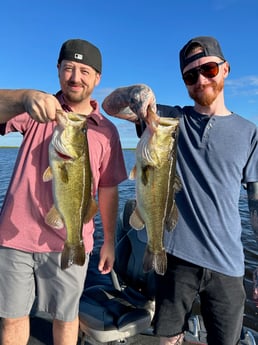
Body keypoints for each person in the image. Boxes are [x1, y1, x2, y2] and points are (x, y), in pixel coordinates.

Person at [102, 36, 258, 345]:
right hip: (176, 259)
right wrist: (139, 92)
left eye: (209, 69)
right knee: (168, 337)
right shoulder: (169, 120)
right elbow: (110, 106)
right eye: (190, 75)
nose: (200, 80)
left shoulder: (249, 132)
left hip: (228, 265)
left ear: (225, 69)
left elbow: (255, 202)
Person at [0, 38, 127, 345]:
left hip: (71, 240)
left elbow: (108, 190)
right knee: (13, 318)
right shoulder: (36, 108)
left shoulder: (106, 131)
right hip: (15, 237)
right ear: (58, 70)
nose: (75, 77)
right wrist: (25, 97)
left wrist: (108, 241)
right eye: (69, 68)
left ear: (97, 78)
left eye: (85, 70)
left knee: (67, 318)